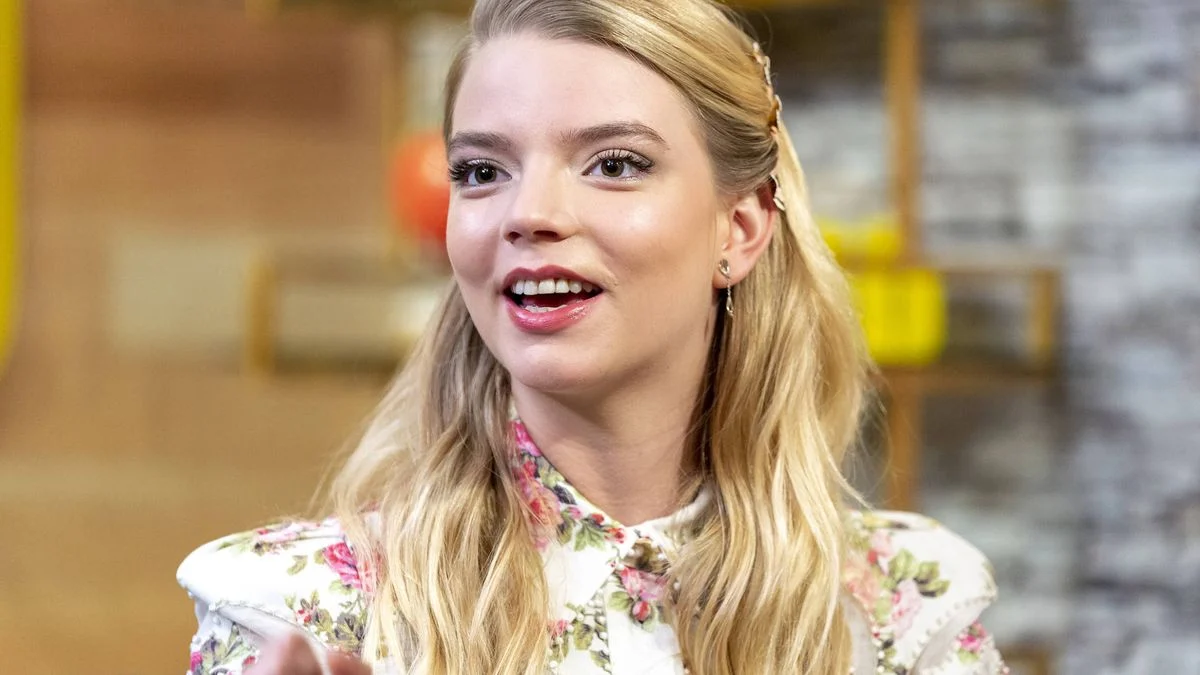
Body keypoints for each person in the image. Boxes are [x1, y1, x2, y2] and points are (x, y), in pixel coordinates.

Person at [178, 1, 1007, 673]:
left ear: (741, 226)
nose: (530, 213)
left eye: (614, 163)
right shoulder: (297, 612)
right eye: (482, 171)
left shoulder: (903, 610)